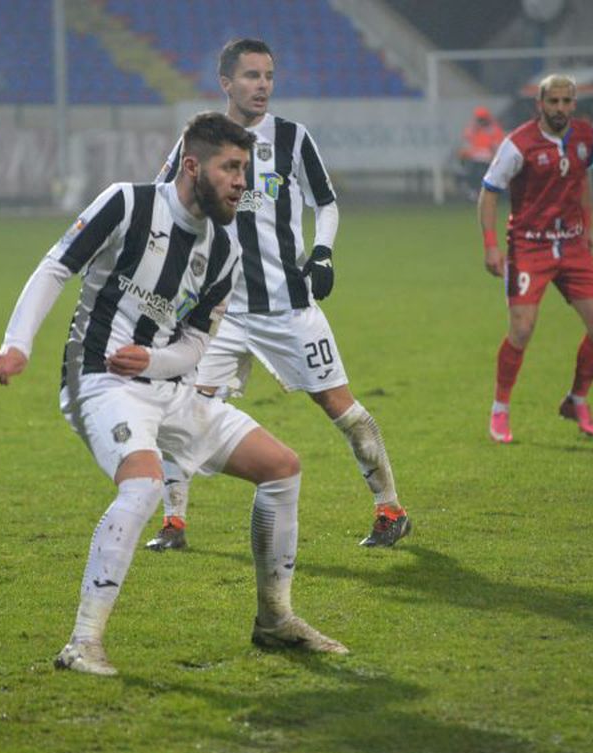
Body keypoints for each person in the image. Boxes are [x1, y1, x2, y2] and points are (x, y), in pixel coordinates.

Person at [0, 112, 348, 677]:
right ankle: (83, 642)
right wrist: (17, 345)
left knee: (281, 467)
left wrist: (153, 359)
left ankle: (275, 620)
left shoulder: (224, 251)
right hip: (100, 381)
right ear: (191, 166)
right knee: (145, 484)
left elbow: (195, 346)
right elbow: (56, 268)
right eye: (230, 168)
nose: (241, 182)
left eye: (245, 170)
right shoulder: (127, 204)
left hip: (170, 389)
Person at [146, 38, 410, 552]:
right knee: (180, 412)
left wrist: (324, 252)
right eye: (250, 76)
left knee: (344, 410)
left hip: (287, 305)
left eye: (268, 75)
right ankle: (173, 524)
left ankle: (391, 510)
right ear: (226, 83)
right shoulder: (197, 141)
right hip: (216, 314)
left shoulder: (291, 137)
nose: (262, 85)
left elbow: (326, 203)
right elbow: (163, 202)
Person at [478, 74, 593, 444]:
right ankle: (500, 410)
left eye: (566, 102)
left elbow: (582, 180)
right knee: (522, 330)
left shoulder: (586, 137)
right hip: (529, 247)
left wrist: (587, 226)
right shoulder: (518, 144)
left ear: (574, 103)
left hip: (571, 247)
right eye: (552, 102)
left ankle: (577, 400)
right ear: (539, 104)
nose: (559, 109)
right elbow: (489, 192)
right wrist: (491, 245)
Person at [458, 105, 505, 200]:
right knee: (470, 176)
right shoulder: (472, 129)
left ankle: (488, 195)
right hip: (473, 159)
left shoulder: (494, 129)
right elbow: (466, 144)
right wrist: (463, 156)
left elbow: (498, 146)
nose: (481, 121)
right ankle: (474, 194)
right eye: (479, 119)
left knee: (487, 179)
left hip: (488, 160)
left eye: (482, 119)